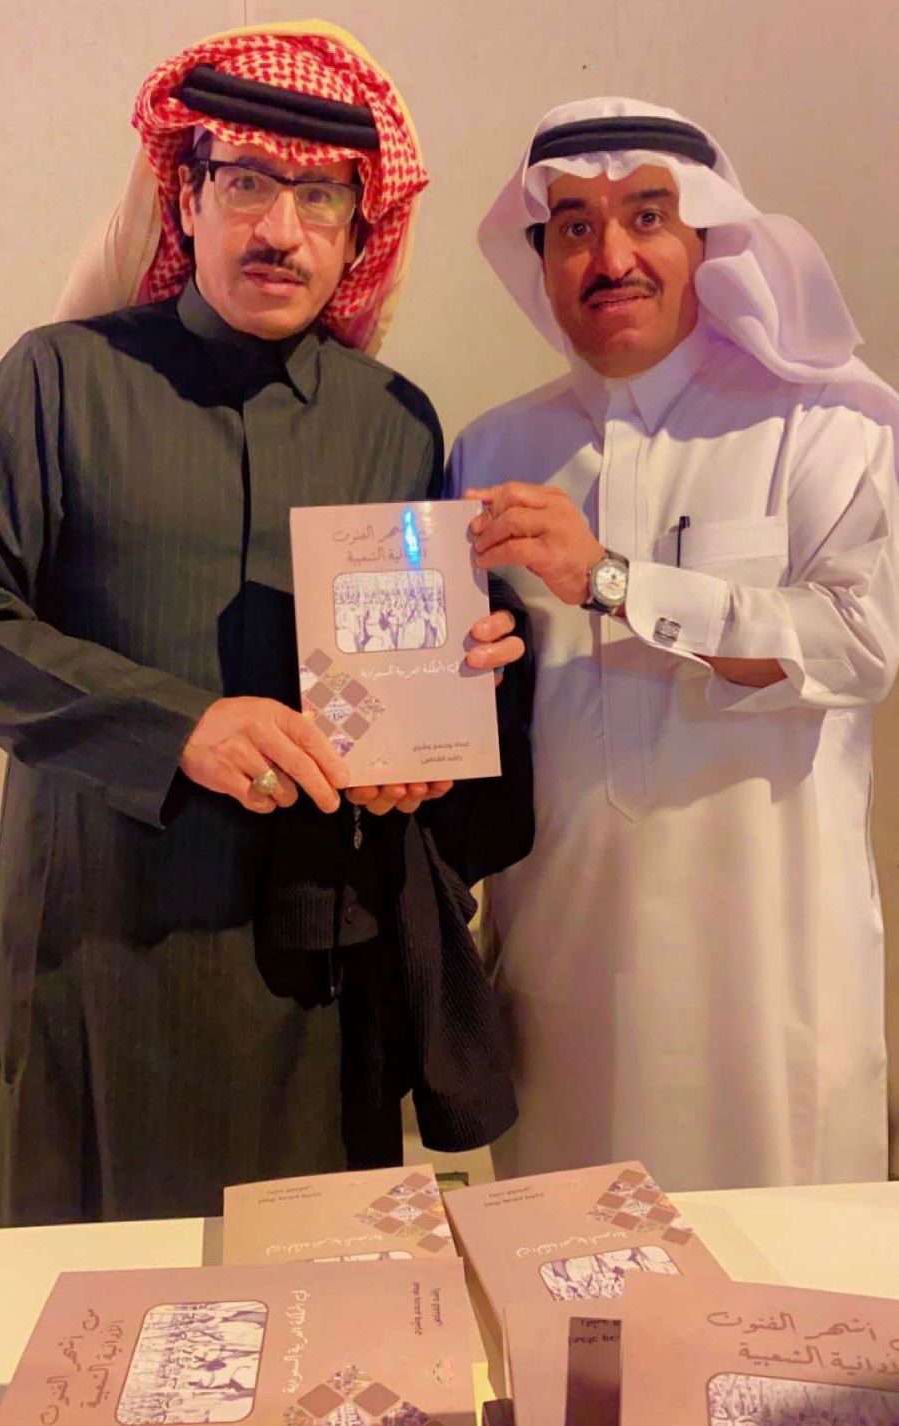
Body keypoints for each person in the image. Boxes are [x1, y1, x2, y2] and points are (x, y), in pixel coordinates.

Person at [0, 21, 531, 1226]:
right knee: (104, 1308)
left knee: (321, 1299)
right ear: (187, 198)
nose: (280, 229)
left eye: (319, 195)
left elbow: (407, 670)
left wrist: (444, 716)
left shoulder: (394, 420)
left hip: (320, 976)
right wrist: (175, 727)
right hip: (100, 948)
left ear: (357, 229)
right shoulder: (59, 381)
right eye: (246, 182)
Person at [450, 96, 899, 1190]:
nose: (612, 257)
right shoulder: (494, 450)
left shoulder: (827, 426)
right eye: (573, 227)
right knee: (562, 1273)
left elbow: (859, 645)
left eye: (647, 216)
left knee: (779, 1283)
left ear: (707, 236)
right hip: (562, 986)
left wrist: (613, 582)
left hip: (770, 989)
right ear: (541, 260)